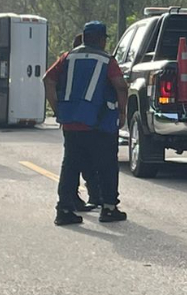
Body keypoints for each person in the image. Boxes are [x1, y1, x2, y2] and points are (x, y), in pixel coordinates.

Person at [43, 21, 128, 226]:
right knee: (107, 164)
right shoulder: (106, 60)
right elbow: (121, 86)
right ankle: (108, 208)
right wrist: (122, 112)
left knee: (71, 165)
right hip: (100, 122)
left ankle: (64, 210)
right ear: (101, 39)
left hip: (71, 122)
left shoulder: (67, 57)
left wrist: (57, 108)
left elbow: (47, 79)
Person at [48, 32, 101, 211]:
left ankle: (73, 199)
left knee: (76, 159)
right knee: (77, 161)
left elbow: (48, 80)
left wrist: (57, 108)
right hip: (89, 119)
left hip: (70, 117)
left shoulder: (66, 61)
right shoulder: (98, 61)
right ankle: (66, 204)